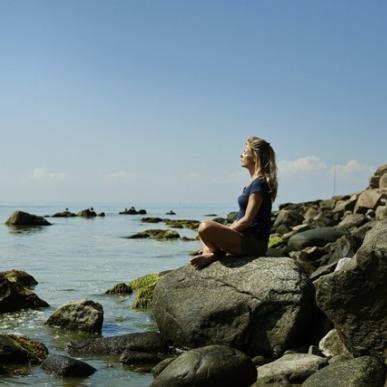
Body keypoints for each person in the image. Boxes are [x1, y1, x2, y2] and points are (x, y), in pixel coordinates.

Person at [190, 136, 278, 269]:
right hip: (243, 238)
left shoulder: (259, 184)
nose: (241, 155)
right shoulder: (253, 182)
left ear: (254, 157)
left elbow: (247, 220)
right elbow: (240, 219)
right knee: (203, 231)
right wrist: (223, 231)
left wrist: (225, 231)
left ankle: (212, 253)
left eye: (244, 152)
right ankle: (211, 253)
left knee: (205, 227)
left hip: (253, 243)